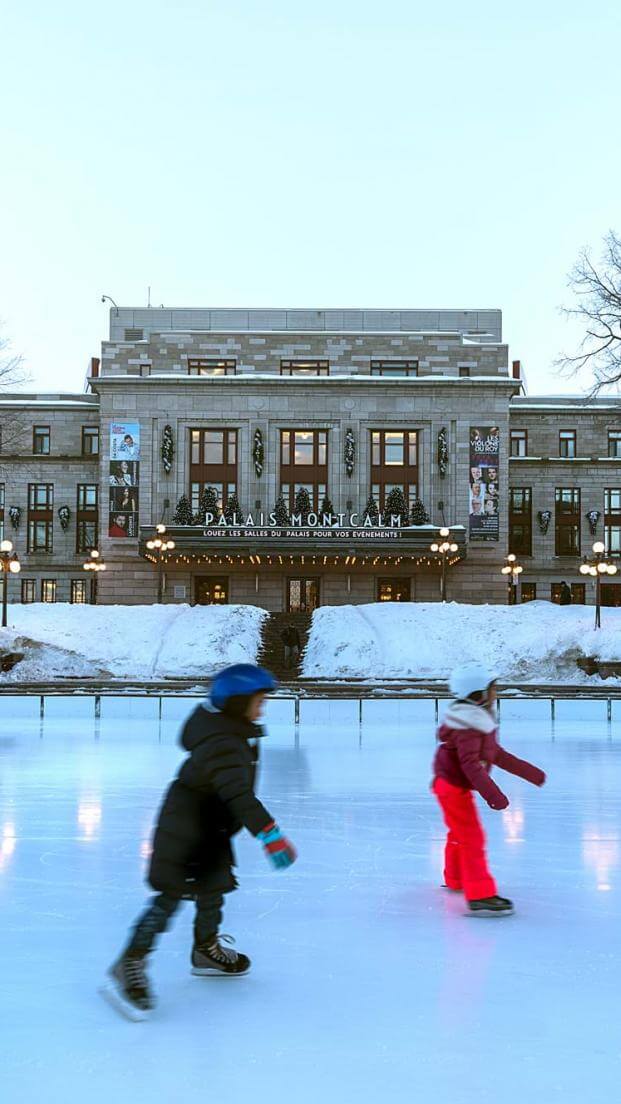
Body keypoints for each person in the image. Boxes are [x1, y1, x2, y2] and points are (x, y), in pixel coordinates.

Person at [103, 664, 297, 1020]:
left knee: (213, 887)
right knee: (170, 896)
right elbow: (239, 794)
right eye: (258, 701)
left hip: (211, 827)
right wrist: (270, 834)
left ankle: (205, 950)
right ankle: (130, 962)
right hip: (186, 828)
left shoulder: (230, 732)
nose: (263, 708)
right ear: (237, 703)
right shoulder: (224, 743)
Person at [432, 662, 545, 917]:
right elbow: (470, 764)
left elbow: (496, 754)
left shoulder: (475, 719)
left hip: (449, 784)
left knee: (460, 833)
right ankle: (480, 895)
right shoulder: (469, 724)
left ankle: (456, 878)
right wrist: (494, 795)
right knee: (472, 837)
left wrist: (531, 773)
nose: (497, 693)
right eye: (493, 689)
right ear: (478, 693)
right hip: (452, 786)